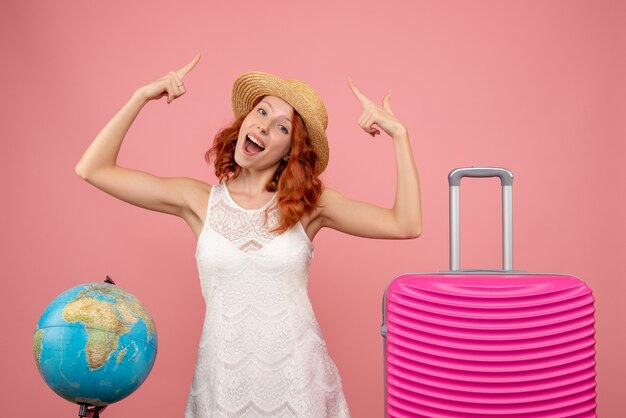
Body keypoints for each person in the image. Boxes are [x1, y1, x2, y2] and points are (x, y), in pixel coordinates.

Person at [75, 53, 422, 418]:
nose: (265, 126)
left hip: (297, 384)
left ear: (291, 152)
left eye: (282, 127)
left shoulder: (310, 205)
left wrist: (400, 135)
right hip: (223, 384)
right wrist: (141, 96)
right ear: (244, 122)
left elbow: (405, 224)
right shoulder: (198, 201)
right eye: (261, 112)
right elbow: (93, 169)